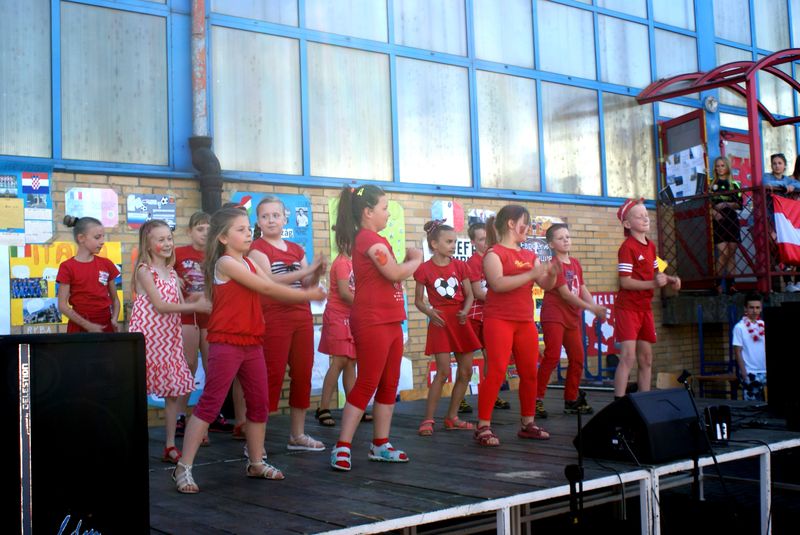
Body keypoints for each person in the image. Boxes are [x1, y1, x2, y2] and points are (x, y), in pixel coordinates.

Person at [173, 207, 325, 493]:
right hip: (226, 341)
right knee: (210, 404)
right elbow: (267, 290)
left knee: (258, 403)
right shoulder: (227, 263)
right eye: (241, 230)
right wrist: (307, 295)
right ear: (223, 238)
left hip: (252, 341)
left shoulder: (250, 262)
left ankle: (255, 462)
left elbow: (270, 282)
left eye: (248, 229)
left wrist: (311, 272)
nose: (248, 234)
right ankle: (184, 467)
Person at [330, 185, 423, 471]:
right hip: (373, 320)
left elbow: (391, 276)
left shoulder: (376, 239)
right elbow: (394, 272)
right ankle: (342, 446)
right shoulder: (368, 238)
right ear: (368, 212)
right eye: (384, 208)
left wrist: (407, 263)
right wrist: (416, 259)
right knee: (368, 381)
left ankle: (380, 444)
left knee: (389, 382)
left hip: (391, 319)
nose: (388, 214)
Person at [128, 220, 212, 465]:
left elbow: (178, 303)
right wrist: (195, 306)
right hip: (149, 337)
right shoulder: (144, 271)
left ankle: (170, 444)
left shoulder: (173, 272)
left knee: (173, 391)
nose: (167, 244)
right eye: (160, 239)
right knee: (139, 389)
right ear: (148, 244)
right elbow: (161, 306)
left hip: (169, 338)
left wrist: (196, 299)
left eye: (169, 238)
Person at [473, 205, 558, 447]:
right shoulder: (494, 253)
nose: (527, 228)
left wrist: (552, 273)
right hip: (499, 320)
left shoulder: (529, 256)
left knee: (530, 372)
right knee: (496, 371)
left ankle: (528, 423)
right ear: (511, 224)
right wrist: (532, 274)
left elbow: (546, 284)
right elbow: (497, 284)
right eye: (525, 223)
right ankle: (483, 426)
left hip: (525, 322)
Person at [248, 196, 327, 452]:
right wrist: (308, 270)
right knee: (271, 376)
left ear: (285, 219)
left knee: (303, 375)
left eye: (275, 215)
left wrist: (317, 272)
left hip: (301, 317)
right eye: (265, 216)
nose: (271, 220)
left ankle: (297, 435)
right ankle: (255, 444)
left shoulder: (296, 249)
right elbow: (270, 281)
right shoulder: (257, 249)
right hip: (274, 318)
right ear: (258, 221)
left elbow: (307, 284)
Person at [174, 211, 236, 444]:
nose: (204, 234)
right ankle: (180, 415)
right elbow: (161, 271)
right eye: (199, 229)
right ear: (189, 231)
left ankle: (212, 413)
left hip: (211, 315)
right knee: (188, 364)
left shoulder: (218, 255)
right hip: (187, 315)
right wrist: (174, 278)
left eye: (209, 230)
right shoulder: (178, 253)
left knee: (214, 366)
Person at [414, 220, 481, 436]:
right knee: (442, 371)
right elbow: (418, 301)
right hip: (440, 322)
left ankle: (452, 417)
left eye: (455, 242)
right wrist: (429, 312)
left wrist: (466, 311)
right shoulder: (424, 269)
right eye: (449, 242)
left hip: (460, 321)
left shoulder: (460, 266)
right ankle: (428, 419)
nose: (453, 246)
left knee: (466, 371)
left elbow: (470, 295)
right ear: (434, 244)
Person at [535, 224, 608, 418]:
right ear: (551, 244)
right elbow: (566, 295)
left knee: (577, 357)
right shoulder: (554, 264)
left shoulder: (575, 263)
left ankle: (571, 399)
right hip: (554, 315)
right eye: (560, 238)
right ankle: (536, 399)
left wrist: (595, 306)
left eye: (568, 236)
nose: (566, 240)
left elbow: (581, 288)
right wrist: (591, 308)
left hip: (571, 317)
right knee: (552, 356)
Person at [613, 199, 681, 398]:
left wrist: (671, 279)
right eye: (639, 216)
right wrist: (654, 284)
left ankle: (644, 401)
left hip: (645, 308)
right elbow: (625, 282)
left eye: (646, 214)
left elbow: (656, 272)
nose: (645, 218)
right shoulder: (627, 248)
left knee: (647, 358)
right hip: (628, 308)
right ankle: (618, 401)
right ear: (627, 224)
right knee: (628, 357)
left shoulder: (650, 246)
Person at [315, 247, 372, 426]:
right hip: (338, 315)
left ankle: (353, 408)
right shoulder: (341, 263)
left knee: (351, 362)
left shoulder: (357, 262)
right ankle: (323, 408)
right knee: (339, 361)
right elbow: (345, 293)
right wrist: (369, 305)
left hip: (353, 315)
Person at [463, 222, 510, 414]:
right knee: (466, 362)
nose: (486, 242)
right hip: (474, 317)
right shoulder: (473, 262)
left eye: (488, 238)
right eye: (482, 239)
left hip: (492, 315)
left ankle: (492, 395)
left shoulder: (497, 258)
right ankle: (460, 398)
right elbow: (478, 293)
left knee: (491, 358)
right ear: (473, 242)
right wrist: (503, 297)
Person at [56, 216, 120, 333]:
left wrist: (114, 319)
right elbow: (62, 305)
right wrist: (88, 326)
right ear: (81, 238)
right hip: (79, 328)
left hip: (105, 326)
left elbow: (115, 299)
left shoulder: (106, 264)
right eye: (97, 237)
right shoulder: (67, 267)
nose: (102, 241)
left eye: (103, 236)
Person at [709, 157, 742, 294]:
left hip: (732, 220)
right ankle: (717, 284)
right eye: (717, 166)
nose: (720, 168)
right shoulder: (711, 184)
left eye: (722, 165)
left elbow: (740, 204)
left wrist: (726, 204)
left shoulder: (734, 184)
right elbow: (706, 203)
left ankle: (731, 285)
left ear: (727, 167)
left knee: (731, 254)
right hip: (718, 221)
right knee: (723, 253)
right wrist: (713, 213)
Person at [733, 294, 766, 401]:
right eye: (751, 307)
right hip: (750, 372)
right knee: (752, 405)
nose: (754, 311)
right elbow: (737, 352)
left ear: (761, 309)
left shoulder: (763, 325)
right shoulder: (739, 327)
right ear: (745, 309)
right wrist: (744, 373)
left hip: (765, 371)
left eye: (757, 307)